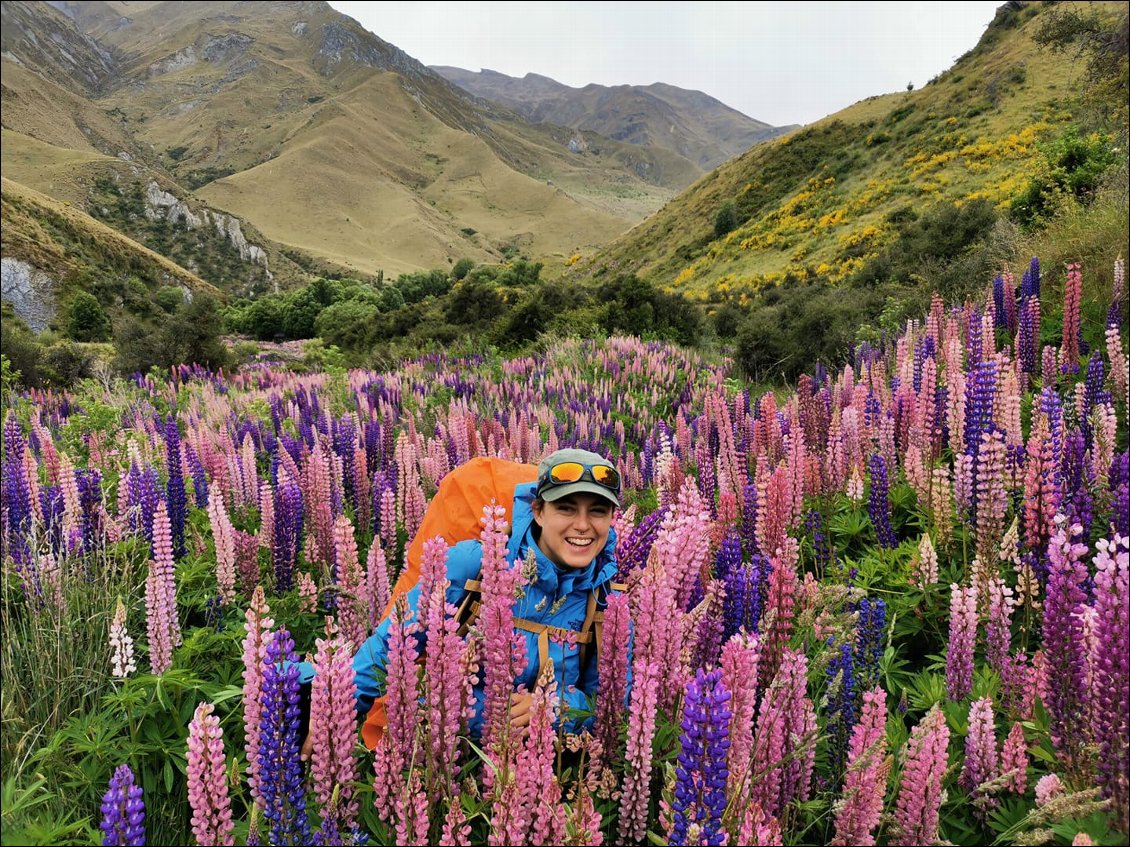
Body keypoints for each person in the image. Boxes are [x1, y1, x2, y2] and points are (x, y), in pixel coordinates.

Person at [299, 447, 625, 757]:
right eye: (566, 508)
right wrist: (335, 706)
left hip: (549, 772)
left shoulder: (608, 602)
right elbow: (395, 642)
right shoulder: (475, 564)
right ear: (538, 511)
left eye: (597, 511)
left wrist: (557, 710)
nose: (582, 525)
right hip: (447, 753)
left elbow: (611, 705)